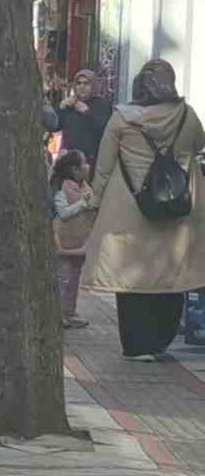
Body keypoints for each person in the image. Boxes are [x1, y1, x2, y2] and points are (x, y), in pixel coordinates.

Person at [82, 59, 205, 361]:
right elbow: (198, 144)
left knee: (131, 279)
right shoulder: (186, 115)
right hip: (177, 208)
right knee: (173, 273)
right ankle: (160, 340)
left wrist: (95, 201)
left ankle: (137, 345)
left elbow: (105, 164)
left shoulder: (122, 118)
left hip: (130, 208)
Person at [52, 150, 96, 330]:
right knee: (64, 280)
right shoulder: (62, 190)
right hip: (63, 243)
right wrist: (83, 204)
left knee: (74, 280)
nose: (88, 166)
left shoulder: (87, 188)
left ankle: (70, 312)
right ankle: (59, 314)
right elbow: (63, 213)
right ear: (74, 169)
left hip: (80, 243)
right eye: (84, 163)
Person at [57, 68, 114, 167]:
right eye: (78, 83)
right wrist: (61, 108)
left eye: (86, 83)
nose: (81, 86)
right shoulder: (70, 104)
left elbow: (104, 130)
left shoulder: (102, 105)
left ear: (93, 86)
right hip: (69, 161)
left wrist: (87, 112)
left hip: (91, 162)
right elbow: (55, 126)